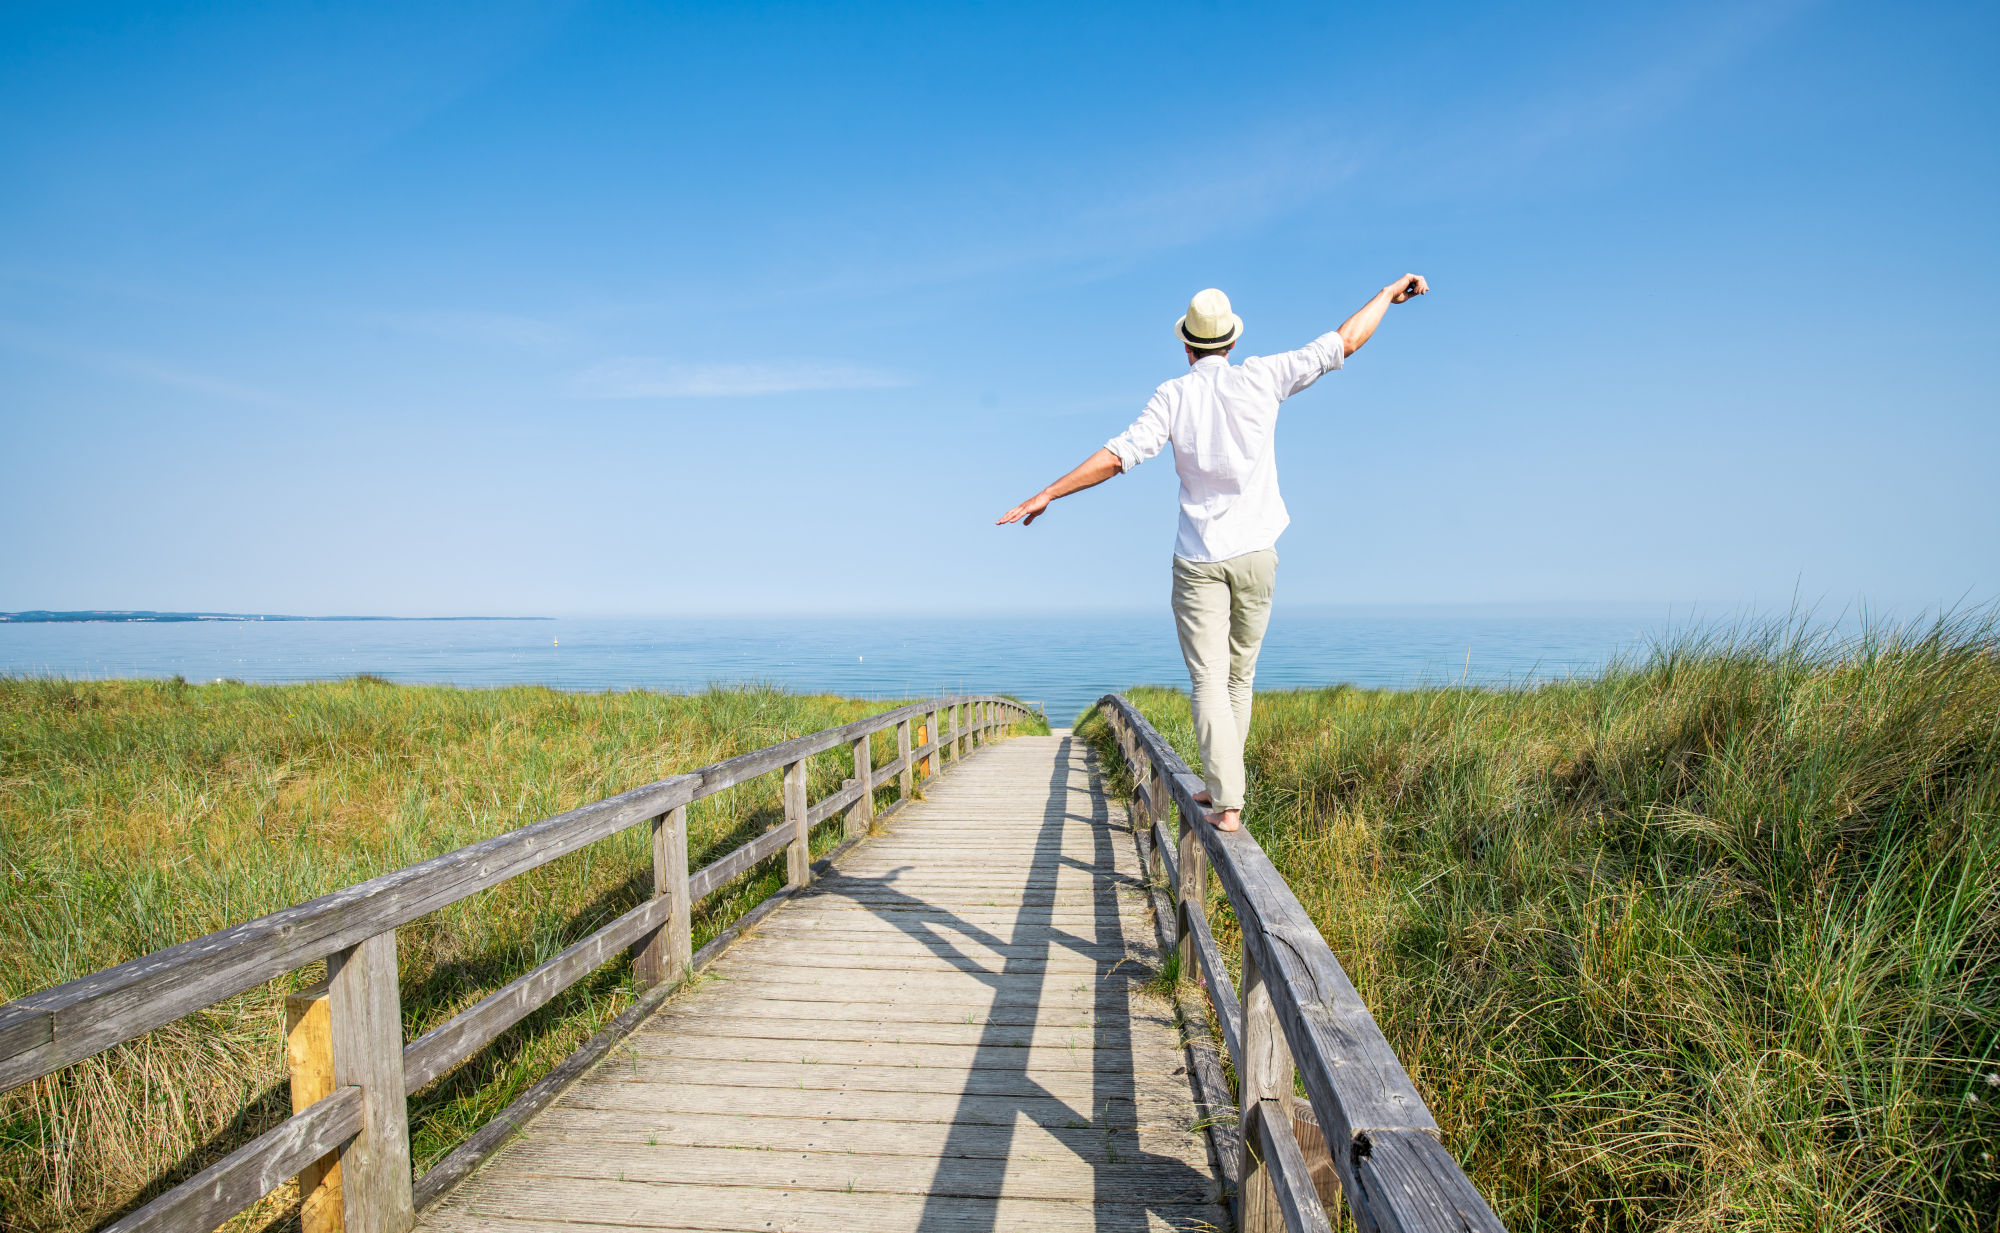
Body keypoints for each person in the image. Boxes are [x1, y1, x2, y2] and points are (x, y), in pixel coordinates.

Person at [996, 278, 1429, 831]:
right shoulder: (1264, 375)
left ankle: (1227, 798)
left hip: (1198, 558)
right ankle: (1224, 789)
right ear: (1231, 342)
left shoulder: (1173, 396)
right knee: (1238, 681)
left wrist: (1049, 492)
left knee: (1208, 681)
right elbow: (1344, 341)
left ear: (1186, 346)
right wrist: (1388, 293)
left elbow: (1119, 455)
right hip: (1257, 555)